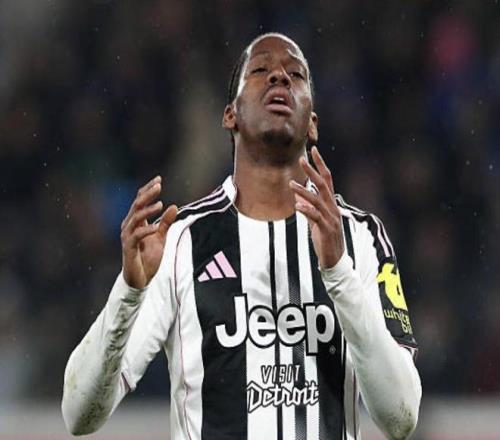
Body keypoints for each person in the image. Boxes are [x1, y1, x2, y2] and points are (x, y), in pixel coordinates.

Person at [62, 33, 421, 440]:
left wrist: (339, 273)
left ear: (313, 123)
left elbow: (401, 417)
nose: (279, 77)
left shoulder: (361, 236)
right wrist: (129, 292)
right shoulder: (179, 241)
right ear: (230, 115)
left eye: (295, 75)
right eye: (261, 70)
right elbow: (79, 415)